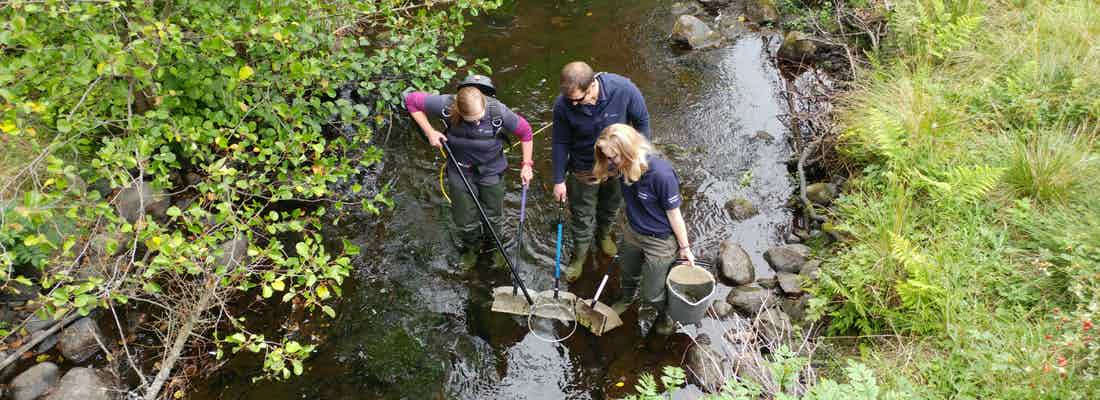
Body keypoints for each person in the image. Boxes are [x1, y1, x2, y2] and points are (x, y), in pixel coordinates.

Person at [405, 75, 535, 268]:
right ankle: (471, 249)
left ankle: (496, 248)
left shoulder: (498, 112)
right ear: (458, 109)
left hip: (491, 170)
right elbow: (410, 100)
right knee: (465, 218)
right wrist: (429, 131)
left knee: (493, 215)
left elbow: (525, 132)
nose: (475, 123)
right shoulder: (446, 105)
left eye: (479, 118)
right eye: (470, 120)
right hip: (459, 169)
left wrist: (526, 164)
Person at [551, 61, 651, 282]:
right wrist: (558, 180)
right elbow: (559, 142)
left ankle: (604, 235)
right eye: (570, 100)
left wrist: (641, 159)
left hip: (617, 166)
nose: (574, 104)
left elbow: (642, 122)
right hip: (583, 169)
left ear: (592, 85)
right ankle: (579, 255)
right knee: (582, 215)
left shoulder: (624, 89)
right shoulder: (563, 106)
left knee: (611, 206)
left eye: (579, 99)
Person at [593, 124, 693, 336]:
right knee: (628, 272)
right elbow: (605, 170)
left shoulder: (662, 175)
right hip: (633, 230)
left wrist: (684, 247)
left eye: (613, 158)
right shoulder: (620, 167)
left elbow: (675, 215)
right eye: (606, 157)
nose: (610, 163)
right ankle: (627, 299)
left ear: (628, 152)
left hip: (660, 239)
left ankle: (666, 314)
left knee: (652, 293)